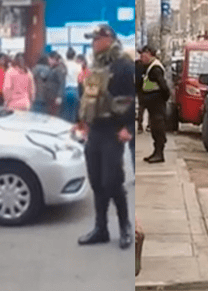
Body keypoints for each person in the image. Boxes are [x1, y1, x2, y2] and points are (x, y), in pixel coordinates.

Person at [74, 24, 134, 249]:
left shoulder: (124, 65)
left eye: (96, 39)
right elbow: (87, 96)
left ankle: (125, 227)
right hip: (96, 130)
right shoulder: (95, 65)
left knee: (113, 181)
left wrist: (128, 126)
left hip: (114, 130)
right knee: (97, 181)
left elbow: (135, 98)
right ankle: (101, 228)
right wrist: (82, 121)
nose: (93, 43)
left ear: (108, 39)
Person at [140, 45, 170, 163]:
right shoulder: (149, 67)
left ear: (149, 54)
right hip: (153, 105)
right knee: (154, 128)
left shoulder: (155, 68)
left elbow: (164, 87)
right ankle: (156, 152)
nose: (141, 58)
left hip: (157, 105)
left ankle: (159, 153)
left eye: (143, 55)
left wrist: (161, 99)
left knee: (158, 129)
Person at [63, 47, 82, 122]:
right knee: (73, 113)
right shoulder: (79, 66)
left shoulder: (64, 64)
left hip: (65, 89)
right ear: (74, 56)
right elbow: (80, 78)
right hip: (75, 90)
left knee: (64, 113)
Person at [47, 51, 67, 117]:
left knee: (54, 116)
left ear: (54, 59)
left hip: (55, 97)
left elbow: (62, 83)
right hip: (51, 96)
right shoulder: (53, 68)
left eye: (49, 59)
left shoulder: (59, 69)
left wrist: (59, 96)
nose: (48, 61)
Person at [135, 53, 148, 134]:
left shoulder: (137, 65)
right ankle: (141, 125)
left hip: (141, 89)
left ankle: (141, 125)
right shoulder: (144, 66)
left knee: (142, 107)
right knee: (143, 107)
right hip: (143, 89)